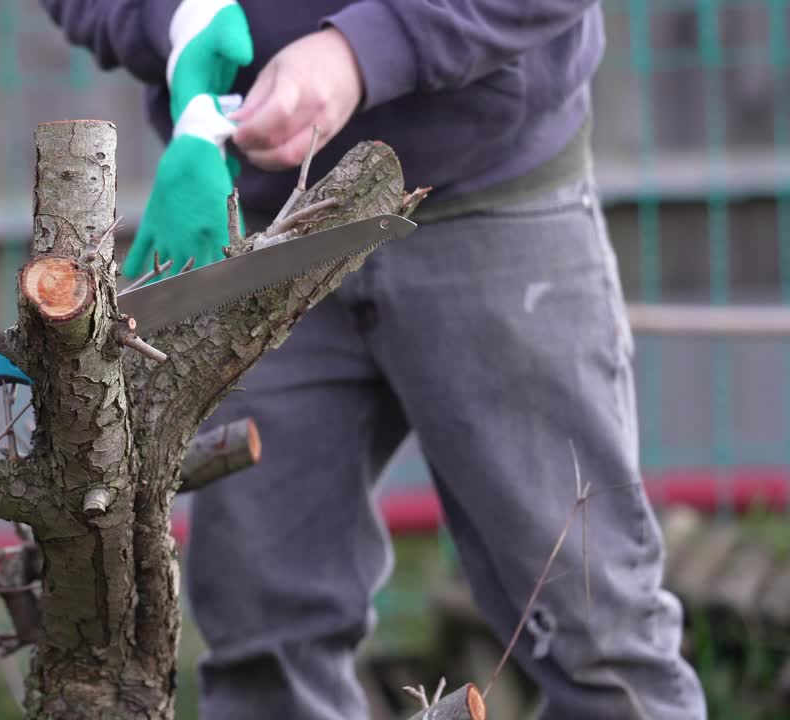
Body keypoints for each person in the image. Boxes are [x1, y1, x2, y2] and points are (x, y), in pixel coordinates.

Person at [39, 1, 707, 718]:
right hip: (256, 235)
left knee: (598, 639)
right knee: (264, 655)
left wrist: (366, 49)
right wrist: (178, 22)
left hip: (491, 196)